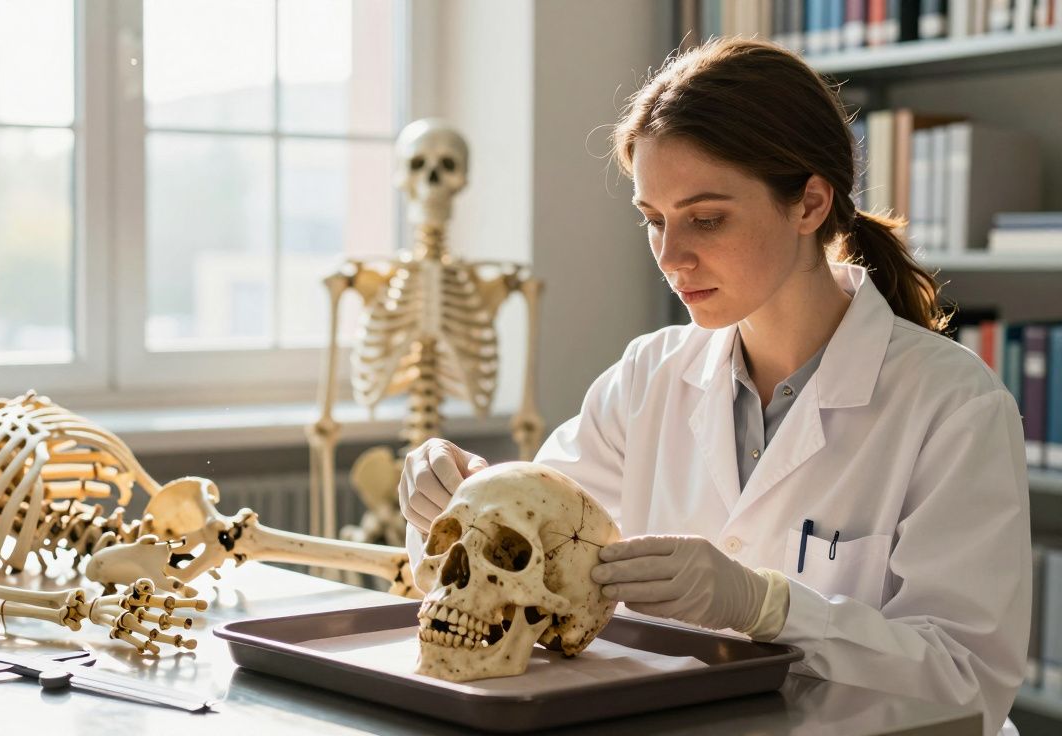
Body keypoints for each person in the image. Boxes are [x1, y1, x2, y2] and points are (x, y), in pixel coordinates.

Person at [397, 38, 1029, 736]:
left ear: (810, 203)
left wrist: (770, 607)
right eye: (652, 220)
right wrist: (452, 494)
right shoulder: (646, 378)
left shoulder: (953, 406)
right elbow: (523, 547)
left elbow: (970, 684)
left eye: (706, 218)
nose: (671, 256)